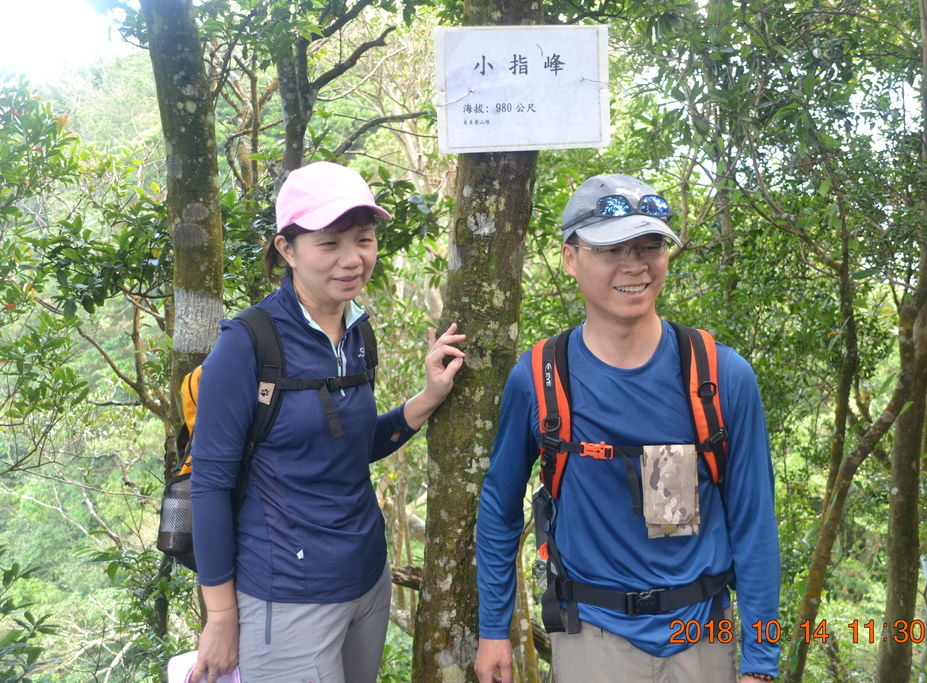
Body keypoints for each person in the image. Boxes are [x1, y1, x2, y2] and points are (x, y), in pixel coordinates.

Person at [474, 174, 780, 682]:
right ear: (571, 259)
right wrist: (492, 631)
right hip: (590, 633)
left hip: (702, 633)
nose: (635, 265)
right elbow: (499, 506)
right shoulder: (541, 380)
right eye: (612, 249)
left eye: (649, 246)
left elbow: (754, 523)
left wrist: (762, 663)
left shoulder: (720, 377)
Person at [188, 161, 465, 683]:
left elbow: (353, 445)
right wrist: (222, 616)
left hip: (367, 579)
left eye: (363, 239)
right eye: (329, 243)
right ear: (287, 249)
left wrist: (429, 397)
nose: (352, 259)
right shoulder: (246, 345)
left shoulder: (358, 332)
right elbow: (210, 485)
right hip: (287, 596)